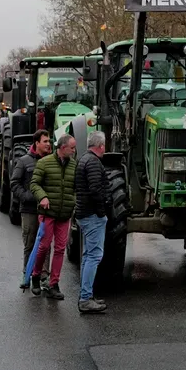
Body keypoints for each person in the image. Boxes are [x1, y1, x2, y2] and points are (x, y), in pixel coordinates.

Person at [29, 132, 78, 299]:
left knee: (60, 249)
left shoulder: (73, 165)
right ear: (63, 148)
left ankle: (53, 283)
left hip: (64, 214)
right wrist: (42, 197)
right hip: (48, 213)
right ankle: (35, 275)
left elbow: (75, 188)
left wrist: (74, 202)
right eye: (71, 148)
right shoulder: (44, 163)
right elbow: (34, 184)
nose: (74, 151)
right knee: (44, 246)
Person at [73, 131, 111, 313]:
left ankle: (86, 294)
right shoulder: (94, 162)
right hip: (92, 215)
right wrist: (102, 212)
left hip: (83, 213)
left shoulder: (83, 159)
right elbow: (96, 190)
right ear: (101, 146)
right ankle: (86, 298)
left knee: (88, 255)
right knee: (94, 256)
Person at [11, 129, 51, 289]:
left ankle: (44, 276)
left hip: (47, 210)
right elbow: (14, 183)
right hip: (29, 210)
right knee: (29, 243)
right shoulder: (24, 161)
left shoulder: (51, 161)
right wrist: (28, 197)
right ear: (37, 143)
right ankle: (26, 273)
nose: (48, 144)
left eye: (49, 141)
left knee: (46, 244)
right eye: (45, 141)